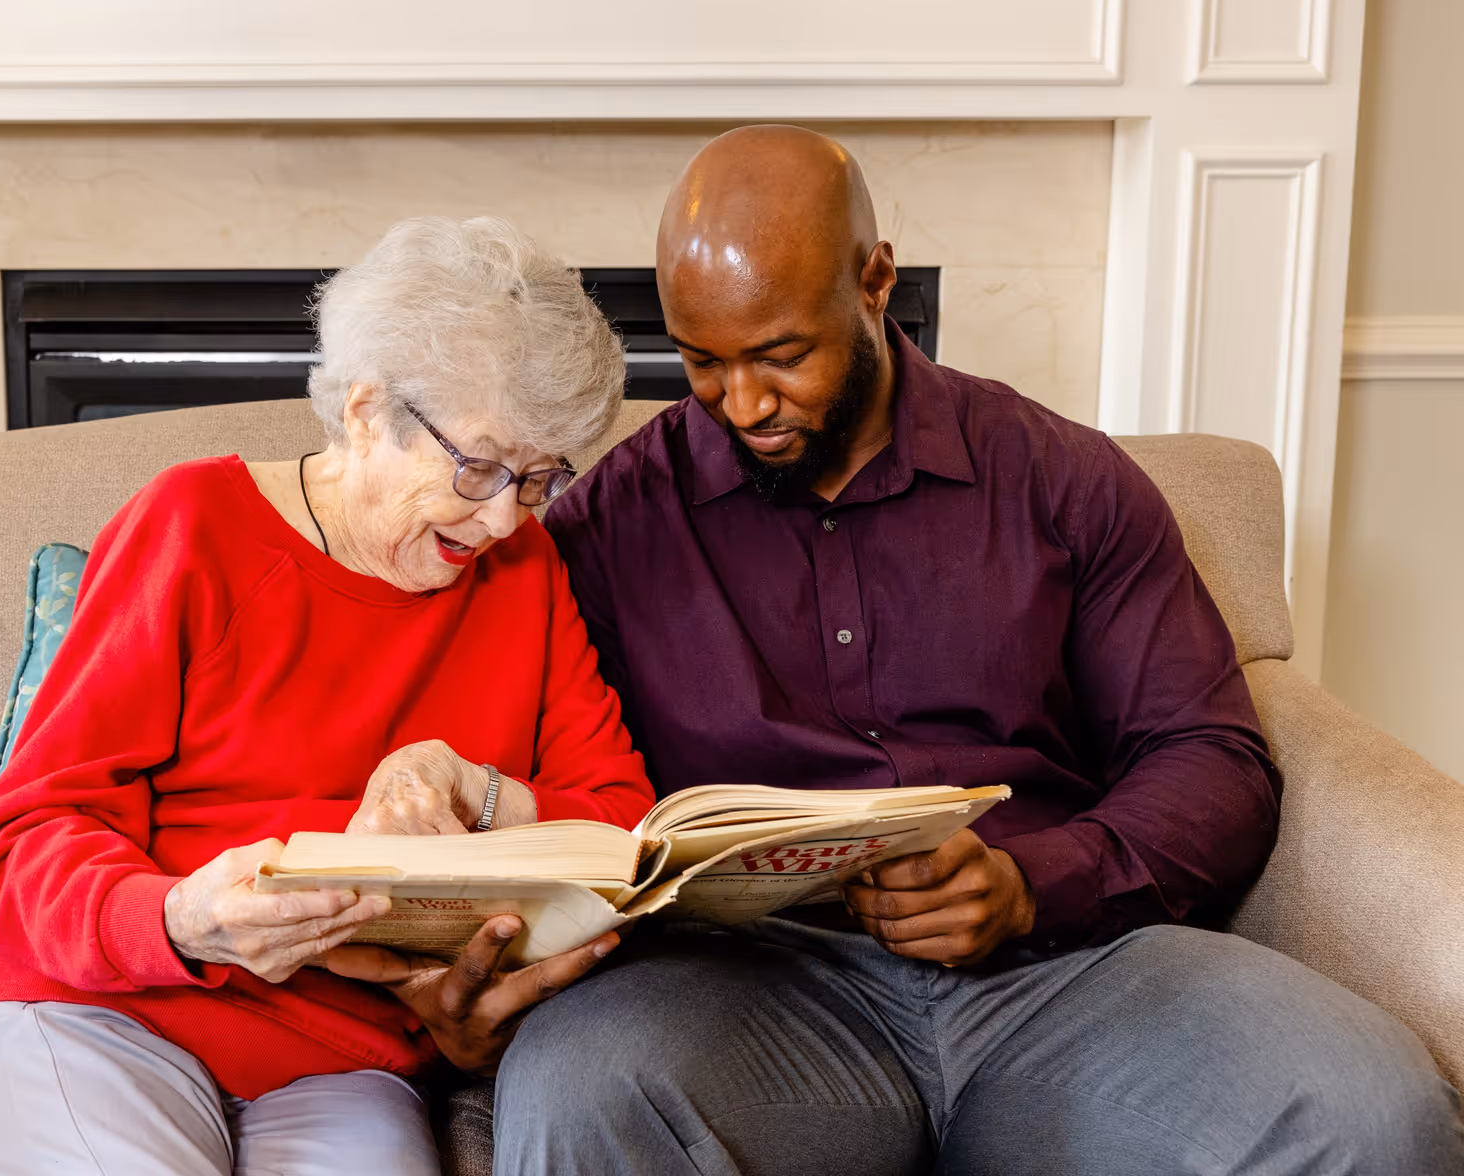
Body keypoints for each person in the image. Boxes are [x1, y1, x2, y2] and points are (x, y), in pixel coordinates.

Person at [493, 126, 1464, 1174]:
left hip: (1065, 972)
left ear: (875, 282)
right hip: (753, 996)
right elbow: (527, 780)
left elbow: (1213, 761)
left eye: (782, 355)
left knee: (1373, 1108)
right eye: (703, 364)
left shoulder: (1064, 482)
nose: (746, 404)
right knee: (577, 1089)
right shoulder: (612, 523)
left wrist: (1026, 882)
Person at [0, 216, 655, 1176]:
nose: (499, 518)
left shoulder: (525, 572)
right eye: (478, 467)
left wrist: (470, 784)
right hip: (100, 1003)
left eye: (537, 479)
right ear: (365, 411)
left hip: (336, 1059)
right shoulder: (192, 528)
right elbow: (26, 837)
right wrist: (180, 919)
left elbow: (626, 830)